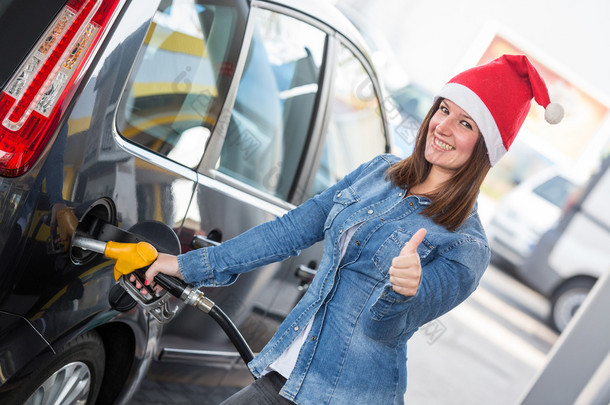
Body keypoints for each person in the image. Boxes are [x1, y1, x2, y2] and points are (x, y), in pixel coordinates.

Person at [134, 54, 564, 405]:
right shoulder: (379, 173)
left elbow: (386, 329)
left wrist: (404, 289)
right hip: (283, 376)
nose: (443, 127)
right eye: (445, 109)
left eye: (467, 124)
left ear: (486, 147)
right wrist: (187, 265)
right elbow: (289, 231)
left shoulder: (466, 246)